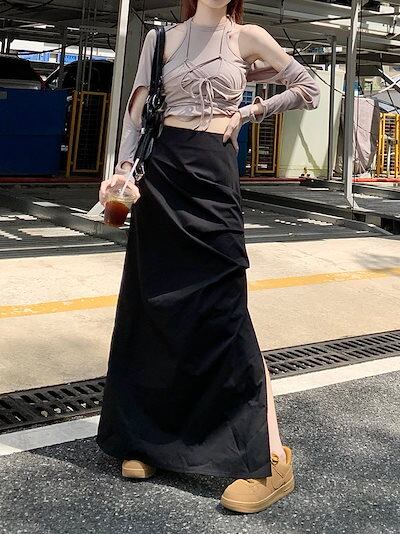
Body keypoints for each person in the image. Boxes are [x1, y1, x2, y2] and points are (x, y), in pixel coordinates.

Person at [96, 0, 320, 514]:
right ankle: (151, 438)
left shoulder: (249, 36)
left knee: (224, 309)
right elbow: (137, 116)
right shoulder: (159, 39)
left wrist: (249, 111)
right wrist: (124, 172)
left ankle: (270, 456)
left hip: (213, 172)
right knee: (156, 305)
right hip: (161, 174)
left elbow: (308, 87)